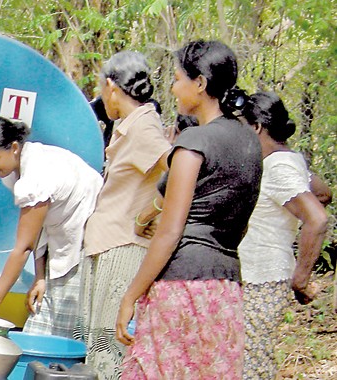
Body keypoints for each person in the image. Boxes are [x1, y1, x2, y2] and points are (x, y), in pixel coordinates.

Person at [116, 40, 262, 379]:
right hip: (225, 289)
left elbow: (169, 233)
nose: (173, 87)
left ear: (200, 83)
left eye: (179, 78)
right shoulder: (250, 142)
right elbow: (241, 225)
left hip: (179, 288)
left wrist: (130, 296)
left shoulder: (193, 143)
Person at [79, 51, 171, 380]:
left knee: (110, 353)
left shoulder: (143, 126)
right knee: (92, 348)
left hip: (122, 249)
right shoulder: (128, 126)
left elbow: (178, 168)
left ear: (110, 86)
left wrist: (153, 212)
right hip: (105, 245)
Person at [0, 115, 102, 338]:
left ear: (14, 148)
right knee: (41, 321)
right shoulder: (19, 170)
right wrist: (40, 276)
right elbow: (37, 228)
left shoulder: (36, 175)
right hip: (60, 242)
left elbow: (23, 247)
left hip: (87, 244)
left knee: (62, 336)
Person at [237, 92, 329, 380]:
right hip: (258, 276)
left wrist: (301, 279)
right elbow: (324, 192)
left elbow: (316, 218)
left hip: (262, 278)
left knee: (250, 362)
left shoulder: (278, 166)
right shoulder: (286, 161)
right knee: (250, 357)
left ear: (256, 127)